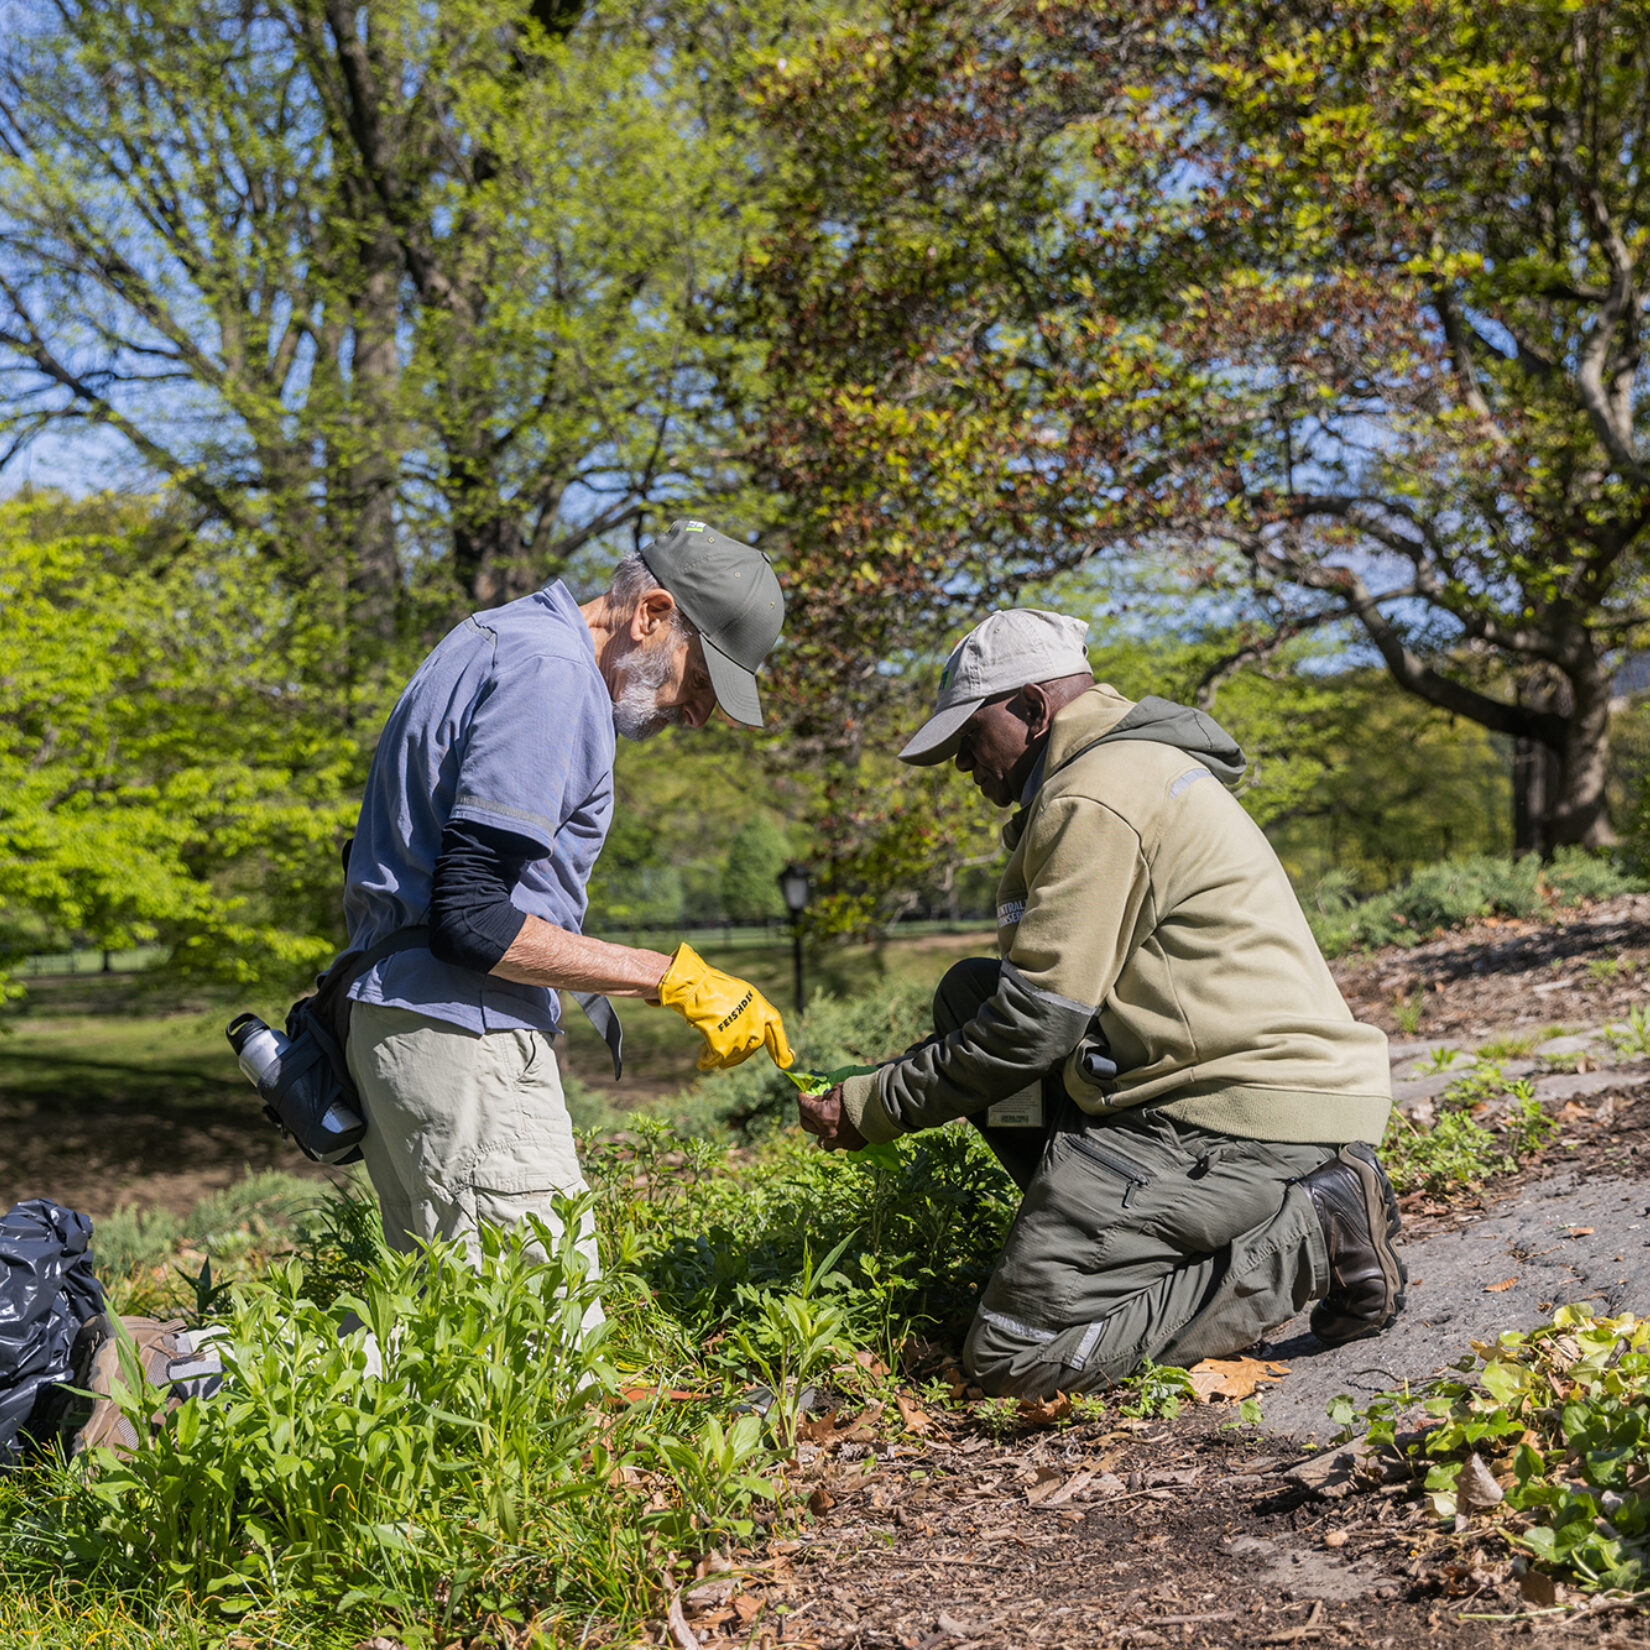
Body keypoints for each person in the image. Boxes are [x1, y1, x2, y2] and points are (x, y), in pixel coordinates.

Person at [798, 609, 1404, 1398]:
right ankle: (1119, 1244)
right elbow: (1014, 1007)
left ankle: (1317, 1234)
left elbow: (1029, 1031)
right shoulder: (1125, 767)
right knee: (968, 994)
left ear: (1031, 710)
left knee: (1016, 1356)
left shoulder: (1094, 797)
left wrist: (871, 1106)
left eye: (966, 739)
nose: (959, 765)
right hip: (1222, 1085)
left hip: (1234, 1115)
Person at [340, 519, 795, 1287]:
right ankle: (170, 1375)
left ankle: (177, 1379)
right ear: (651, 615)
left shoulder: (498, 636)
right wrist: (671, 978)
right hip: (461, 1034)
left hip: (413, 1021)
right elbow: (470, 919)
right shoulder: (552, 674)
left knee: (445, 1348)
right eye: (703, 683)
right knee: (544, 1342)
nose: (696, 717)